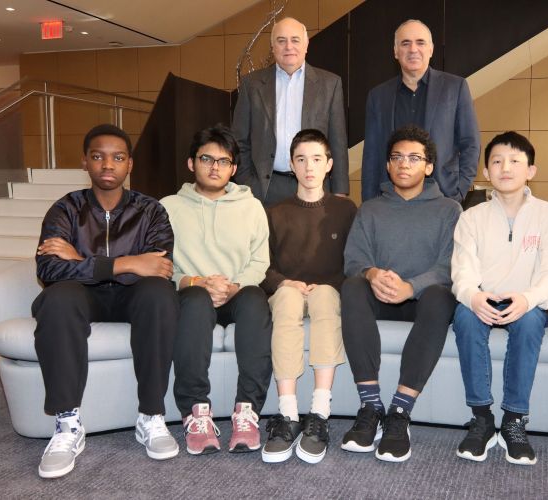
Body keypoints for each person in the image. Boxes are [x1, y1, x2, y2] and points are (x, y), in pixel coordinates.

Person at [34, 124, 179, 478]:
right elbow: (49, 268)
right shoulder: (65, 209)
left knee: (159, 293)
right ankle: (67, 424)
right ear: (85, 162)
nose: (108, 165)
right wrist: (125, 264)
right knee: (58, 297)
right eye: (98, 156)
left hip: (134, 297)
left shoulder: (151, 211)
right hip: (82, 296)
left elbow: (158, 268)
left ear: (130, 164)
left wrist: (80, 259)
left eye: (118, 157)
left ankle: (151, 416)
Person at [340, 125, 461, 462]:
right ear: (388, 165)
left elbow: (450, 265)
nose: (404, 164)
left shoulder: (449, 210)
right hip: (379, 299)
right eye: (396, 157)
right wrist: (372, 273)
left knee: (440, 296)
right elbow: (354, 260)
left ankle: (400, 412)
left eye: (413, 158)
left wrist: (411, 286)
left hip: (423, 304)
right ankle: (370, 406)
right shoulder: (370, 209)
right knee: (352, 286)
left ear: (429, 166)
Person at [451, 132, 548, 466]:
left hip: (527, 302)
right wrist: (473, 296)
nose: (506, 168)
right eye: (497, 161)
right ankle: (481, 419)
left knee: (531, 321)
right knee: (464, 316)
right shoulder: (471, 217)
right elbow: (462, 270)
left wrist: (528, 298)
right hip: (484, 298)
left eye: (515, 161)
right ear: (486, 172)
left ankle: (514, 421)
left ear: (531, 170)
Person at [160, 124, 272, 456]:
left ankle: (247, 412)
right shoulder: (167, 207)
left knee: (256, 298)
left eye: (224, 161)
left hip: (236, 293)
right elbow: (160, 264)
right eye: (206, 159)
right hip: (192, 294)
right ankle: (196, 412)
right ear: (191, 163)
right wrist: (195, 282)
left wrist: (233, 287)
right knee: (195, 300)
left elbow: (260, 261)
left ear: (233, 169)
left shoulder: (251, 207)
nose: (214, 167)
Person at [259, 129, 357, 464]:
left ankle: (319, 413)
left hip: (327, 290)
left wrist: (327, 284)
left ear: (329, 164)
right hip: (287, 289)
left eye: (316, 159)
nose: (309, 167)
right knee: (287, 300)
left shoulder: (345, 210)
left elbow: (354, 261)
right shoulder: (274, 211)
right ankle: (288, 415)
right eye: (301, 159)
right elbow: (262, 265)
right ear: (291, 165)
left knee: (326, 298)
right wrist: (285, 282)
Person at [231, 16, 349, 206]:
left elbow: (338, 142)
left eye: (295, 40)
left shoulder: (330, 84)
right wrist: (247, 183)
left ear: (306, 45)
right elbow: (239, 140)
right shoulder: (251, 85)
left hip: (314, 188)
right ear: (273, 47)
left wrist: (339, 191)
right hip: (264, 190)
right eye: (281, 41)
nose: (288, 47)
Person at [360, 19, 480, 203]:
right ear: (395, 51)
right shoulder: (378, 96)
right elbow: (371, 155)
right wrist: (369, 203)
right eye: (405, 43)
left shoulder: (455, 88)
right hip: (390, 201)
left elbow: (470, 143)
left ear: (431, 49)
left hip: (443, 197)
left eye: (420, 42)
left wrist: (459, 191)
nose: (413, 49)